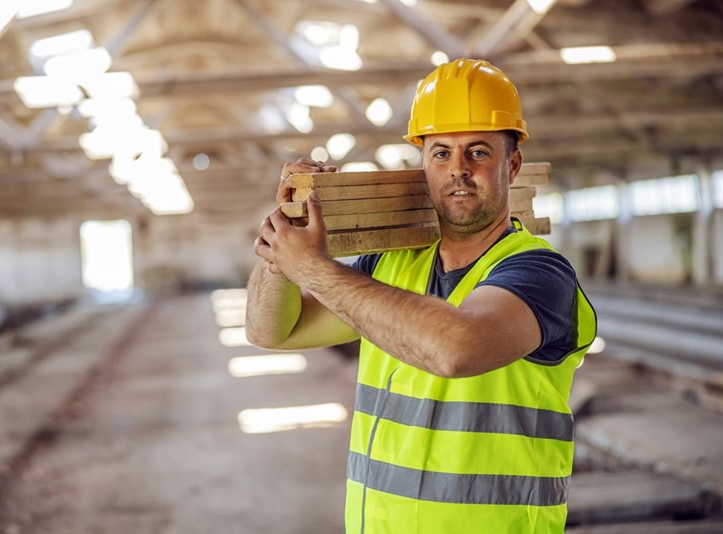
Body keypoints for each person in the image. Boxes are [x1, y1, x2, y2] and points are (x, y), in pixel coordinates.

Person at [245, 58, 597, 533]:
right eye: (440, 153)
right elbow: (272, 332)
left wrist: (313, 267)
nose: (457, 170)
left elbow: (457, 348)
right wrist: (284, 240)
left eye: (477, 152)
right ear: (423, 163)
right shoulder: (392, 266)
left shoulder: (537, 271)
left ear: (512, 165)